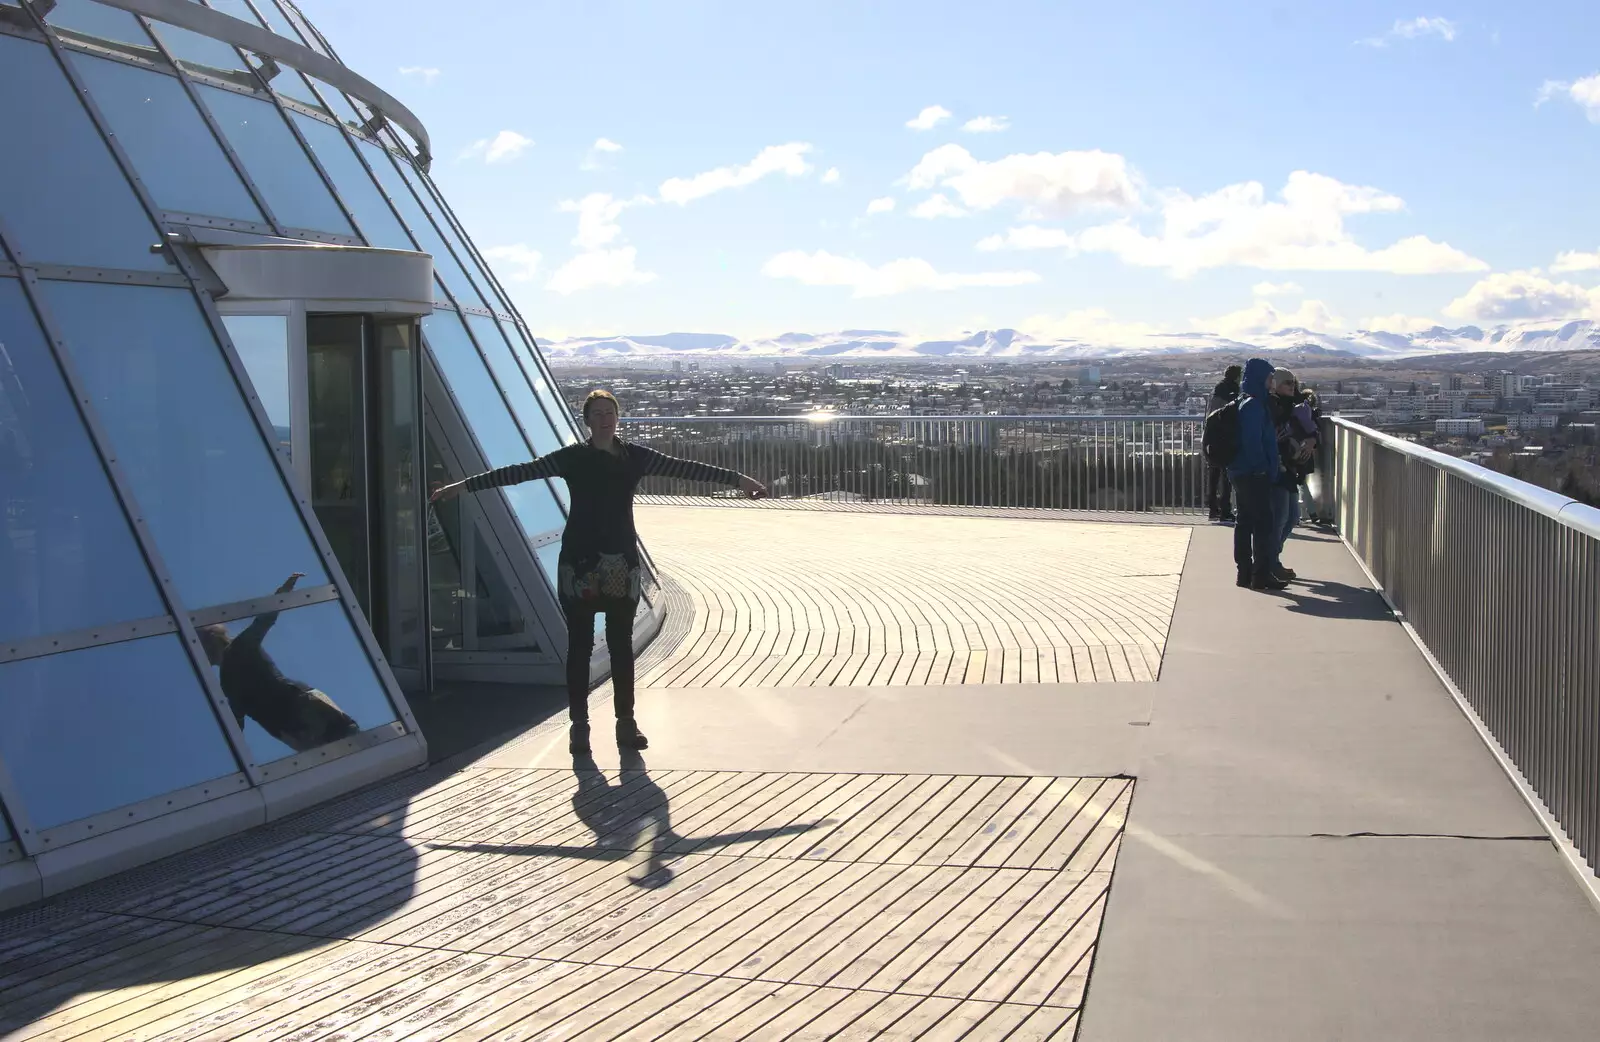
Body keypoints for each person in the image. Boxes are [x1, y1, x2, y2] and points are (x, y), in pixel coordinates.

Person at [431, 389, 766, 754]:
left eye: (611, 412)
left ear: (617, 418)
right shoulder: (572, 458)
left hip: (623, 562)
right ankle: (580, 727)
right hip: (579, 564)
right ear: (587, 420)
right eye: (598, 413)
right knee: (580, 647)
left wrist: (738, 480)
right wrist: (462, 487)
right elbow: (519, 474)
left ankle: (626, 724)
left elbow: (688, 469)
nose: (606, 419)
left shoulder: (635, 457)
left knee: (621, 647)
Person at [197, 572, 362, 752]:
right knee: (351, 739)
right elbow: (264, 621)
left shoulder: (228, 677)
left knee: (339, 751)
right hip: (298, 708)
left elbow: (237, 721)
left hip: (291, 724)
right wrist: (281, 594)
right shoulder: (237, 654)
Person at [1225, 359, 1286, 590]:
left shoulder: (1245, 401)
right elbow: (1254, 442)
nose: (1272, 382)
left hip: (1241, 471)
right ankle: (1260, 575)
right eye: (1270, 378)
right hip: (1252, 473)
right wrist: (1263, 467)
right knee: (1263, 524)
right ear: (1261, 378)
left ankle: (1245, 573)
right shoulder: (1254, 405)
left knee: (1245, 522)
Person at [1206, 365, 1242, 522]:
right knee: (1226, 476)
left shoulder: (1217, 390)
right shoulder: (1233, 392)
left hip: (1212, 436)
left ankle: (1213, 509)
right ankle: (1225, 510)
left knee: (1213, 475)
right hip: (1225, 438)